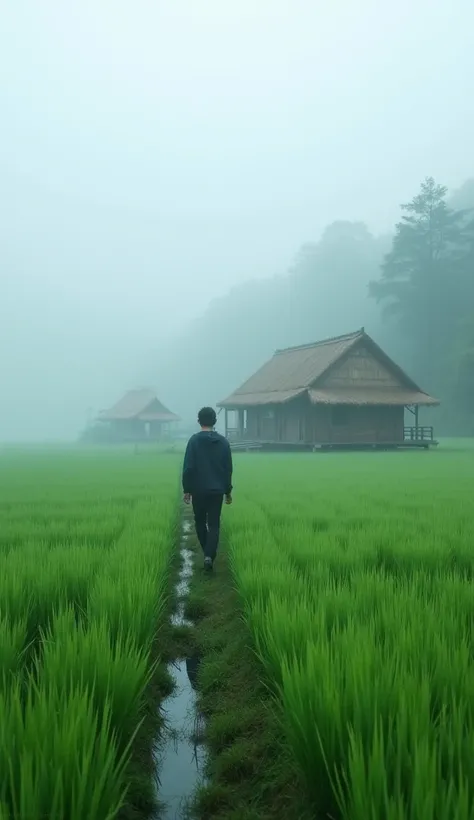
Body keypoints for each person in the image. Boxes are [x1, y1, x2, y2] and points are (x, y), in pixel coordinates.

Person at [182, 407, 233, 571]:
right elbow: (228, 469)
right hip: (216, 490)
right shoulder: (223, 442)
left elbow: (188, 467)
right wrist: (228, 491)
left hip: (198, 489)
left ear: (199, 421)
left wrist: (187, 489)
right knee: (214, 524)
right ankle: (209, 555)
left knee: (199, 521)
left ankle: (207, 554)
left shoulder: (194, 441)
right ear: (215, 421)